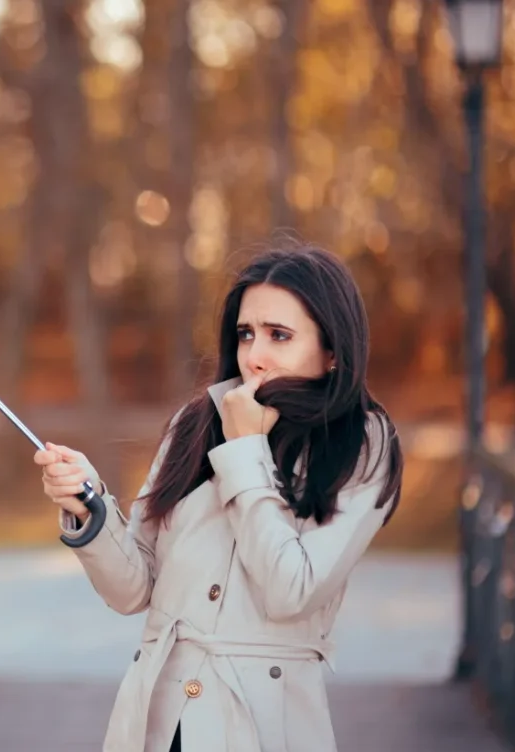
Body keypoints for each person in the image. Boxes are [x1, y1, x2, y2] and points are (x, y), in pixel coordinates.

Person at [34, 242, 404, 752]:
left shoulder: (361, 443)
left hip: (264, 724)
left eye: (280, 336)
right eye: (246, 334)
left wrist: (247, 448)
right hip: (160, 717)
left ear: (333, 349)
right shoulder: (196, 423)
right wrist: (89, 505)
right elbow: (133, 589)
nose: (255, 356)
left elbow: (290, 590)